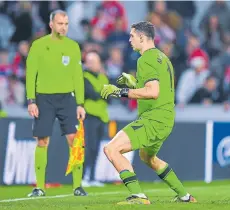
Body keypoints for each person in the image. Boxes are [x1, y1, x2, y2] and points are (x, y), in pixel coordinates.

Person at [101, 21, 197, 205]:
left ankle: (138, 196)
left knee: (111, 149)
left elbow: (153, 92)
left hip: (153, 118)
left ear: (142, 38)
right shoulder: (163, 58)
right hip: (166, 119)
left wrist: (120, 91)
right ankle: (185, 196)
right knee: (147, 157)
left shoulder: (145, 59)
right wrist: (134, 84)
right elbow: (156, 88)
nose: (129, 40)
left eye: (132, 36)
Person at [26, 10, 87, 197]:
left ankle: (77, 186)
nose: (64, 27)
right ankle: (40, 187)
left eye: (66, 24)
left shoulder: (73, 46)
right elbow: (31, 74)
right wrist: (31, 100)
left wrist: (80, 103)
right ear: (51, 24)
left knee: (74, 140)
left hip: (67, 99)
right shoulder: (38, 45)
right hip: (44, 98)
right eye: (60, 23)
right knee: (42, 141)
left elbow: (78, 76)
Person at [82, 52, 109, 187]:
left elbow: (109, 96)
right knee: (89, 147)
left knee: (97, 148)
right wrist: (102, 94)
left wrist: (101, 94)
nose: (91, 64)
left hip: (102, 117)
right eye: (89, 61)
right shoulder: (84, 77)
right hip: (89, 116)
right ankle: (83, 177)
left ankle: (92, 177)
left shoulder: (103, 77)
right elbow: (90, 94)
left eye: (94, 61)